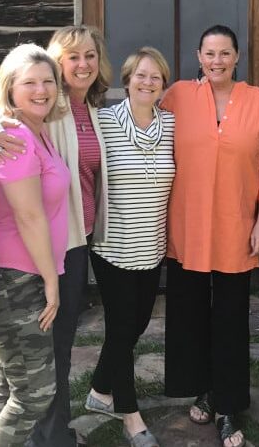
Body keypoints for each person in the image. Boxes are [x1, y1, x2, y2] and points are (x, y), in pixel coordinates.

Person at [0, 26, 111, 447]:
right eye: (71, 58)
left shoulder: (69, 117)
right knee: (37, 381)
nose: (42, 89)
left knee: (18, 370)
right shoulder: (22, 126)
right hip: (30, 264)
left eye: (90, 55)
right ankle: (48, 438)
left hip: (66, 248)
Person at [163, 24, 259, 447]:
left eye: (224, 53)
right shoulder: (177, 96)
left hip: (236, 226)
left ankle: (230, 406)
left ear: (237, 56)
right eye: (209, 53)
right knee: (190, 316)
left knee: (230, 321)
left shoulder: (258, 100)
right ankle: (204, 391)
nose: (216, 61)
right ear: (198, 56)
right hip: (187, 226)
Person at [0, 44, 71, 447]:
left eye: (48, 81)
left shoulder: (36, 130)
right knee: (34, 393)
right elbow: (29, 216)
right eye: (29, 82)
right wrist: (52, 280)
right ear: (10, 88)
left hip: (20, 273)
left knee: (7, 379)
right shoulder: (14, 139)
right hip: (16, 279)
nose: (41, 90)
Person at [83, 47, 175, 447]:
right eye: (140, 75)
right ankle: (130, 415)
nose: (147, 82)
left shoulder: (171, 124)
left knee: (135, 325)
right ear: (127, 79)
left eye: (155, 77)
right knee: (122, 330)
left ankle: (100, 389)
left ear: (163, 85)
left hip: (151, 247)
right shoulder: (103, 121)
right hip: (113, 247)